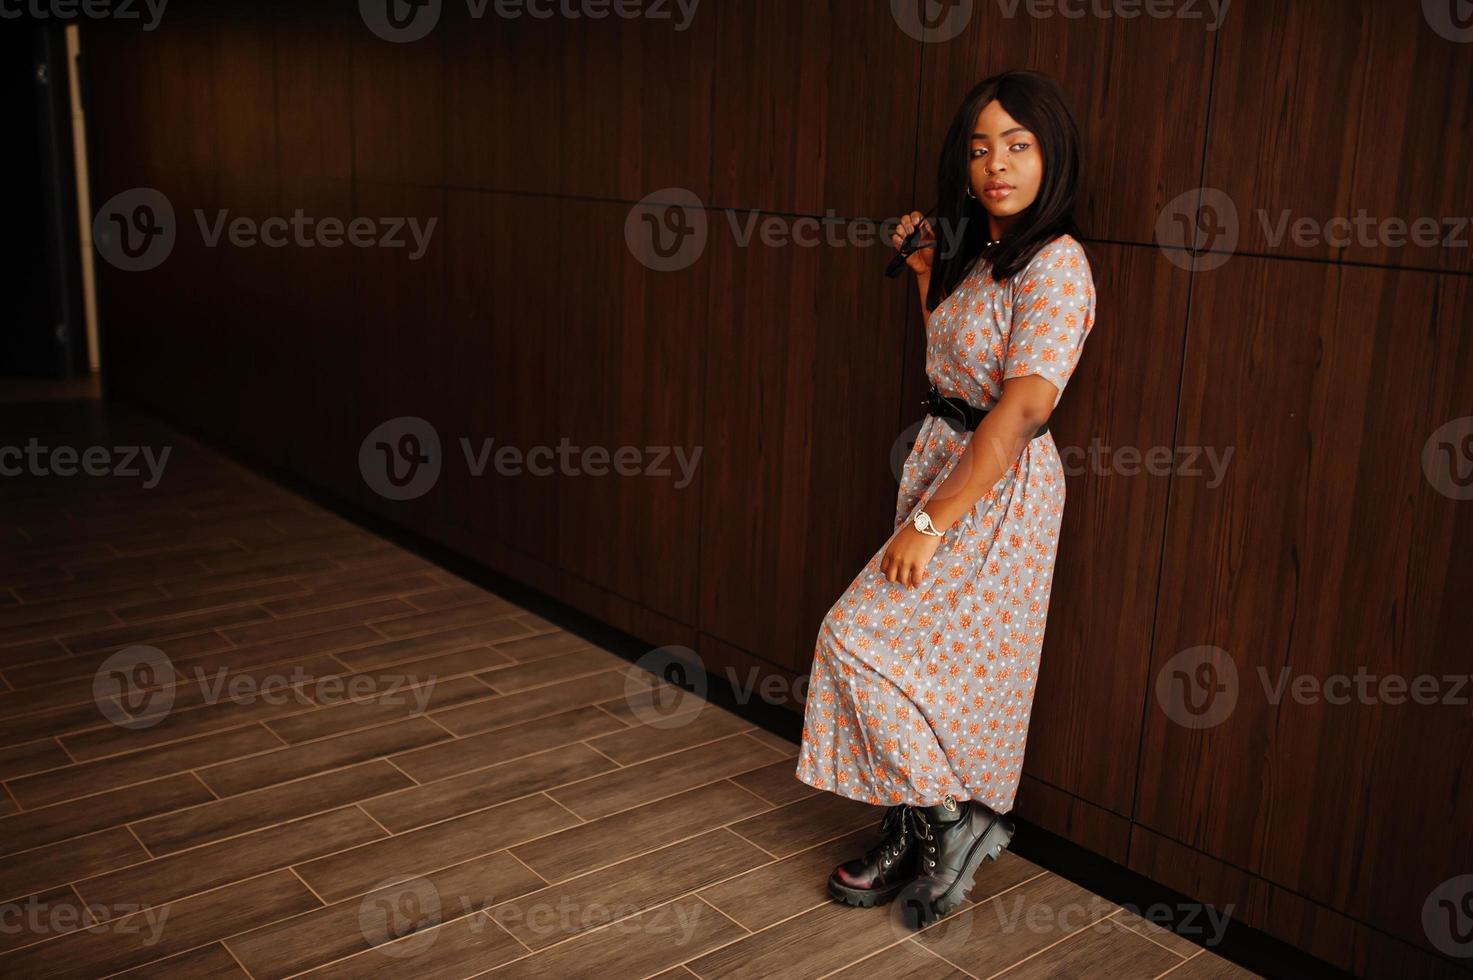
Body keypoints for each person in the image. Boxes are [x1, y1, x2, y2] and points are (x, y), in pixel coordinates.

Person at [794, 69, 1097, 927]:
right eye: (978, 147)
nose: (995, 164)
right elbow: (955, 363)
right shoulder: (985, 254)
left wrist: (932, 520)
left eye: (1018, 144)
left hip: (992, 488)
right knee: (923, 670)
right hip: (940, 459)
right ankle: (917, 831)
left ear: (1052, 156)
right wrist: (930, 270)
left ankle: (949, 822)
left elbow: (1024, 404)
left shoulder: (1058, 263)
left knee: (854, 640)